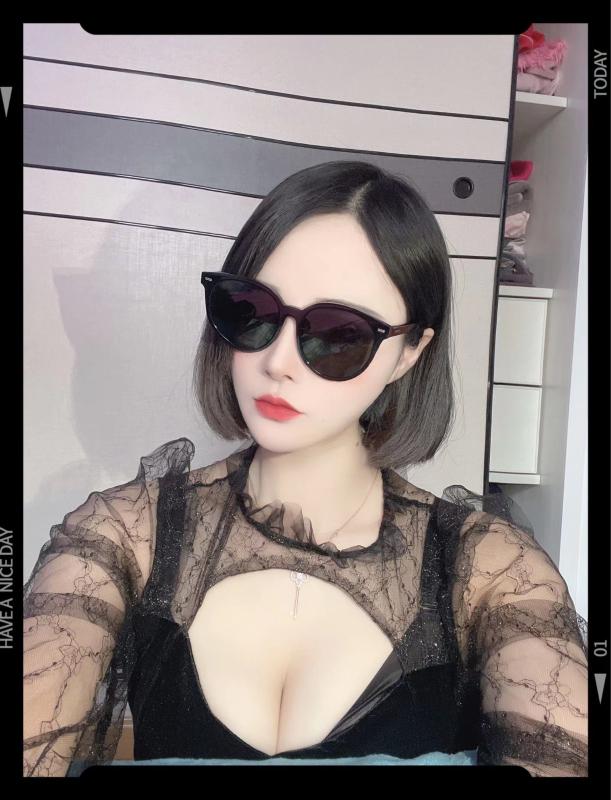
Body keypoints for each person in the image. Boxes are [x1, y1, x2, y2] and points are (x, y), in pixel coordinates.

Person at [23, 161, 588, 777]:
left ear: (410, 352)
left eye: (339, 333)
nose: (278, 362)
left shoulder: (493, 573)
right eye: (251, 311)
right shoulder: (123, 535)